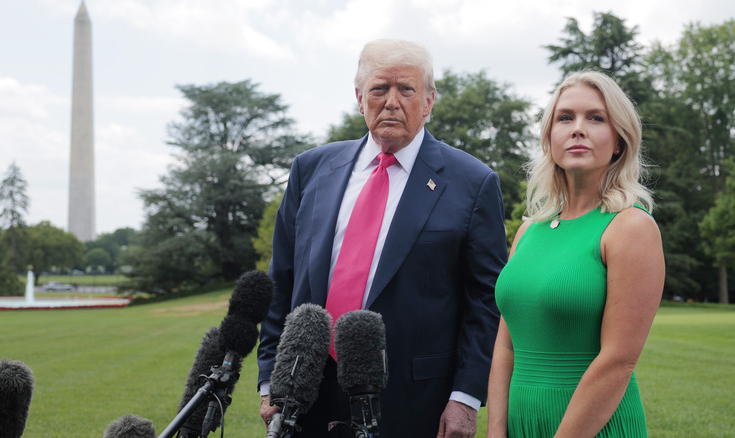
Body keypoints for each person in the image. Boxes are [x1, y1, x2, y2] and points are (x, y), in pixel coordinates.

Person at [257, 39, 507, 437]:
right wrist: (271, 378)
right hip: (304, 398)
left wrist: (466, 396)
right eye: (379, 89)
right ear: (360, 98)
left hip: (415, 402)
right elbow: (281, 281)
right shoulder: (310, 170)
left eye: (406, 89)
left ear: (428, 101)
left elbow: (486, 301)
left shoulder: (473, 183)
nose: (392, 101)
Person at [487, 70, 665, 437]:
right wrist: (495, 431)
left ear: (619, 142)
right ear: (550, 137)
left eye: (596, 118)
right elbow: (505, 346)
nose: (578, 128)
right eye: (565, 117)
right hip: (522, 424)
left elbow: (617, 362)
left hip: (593, 427)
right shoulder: (528, 231)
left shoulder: (631, 227)